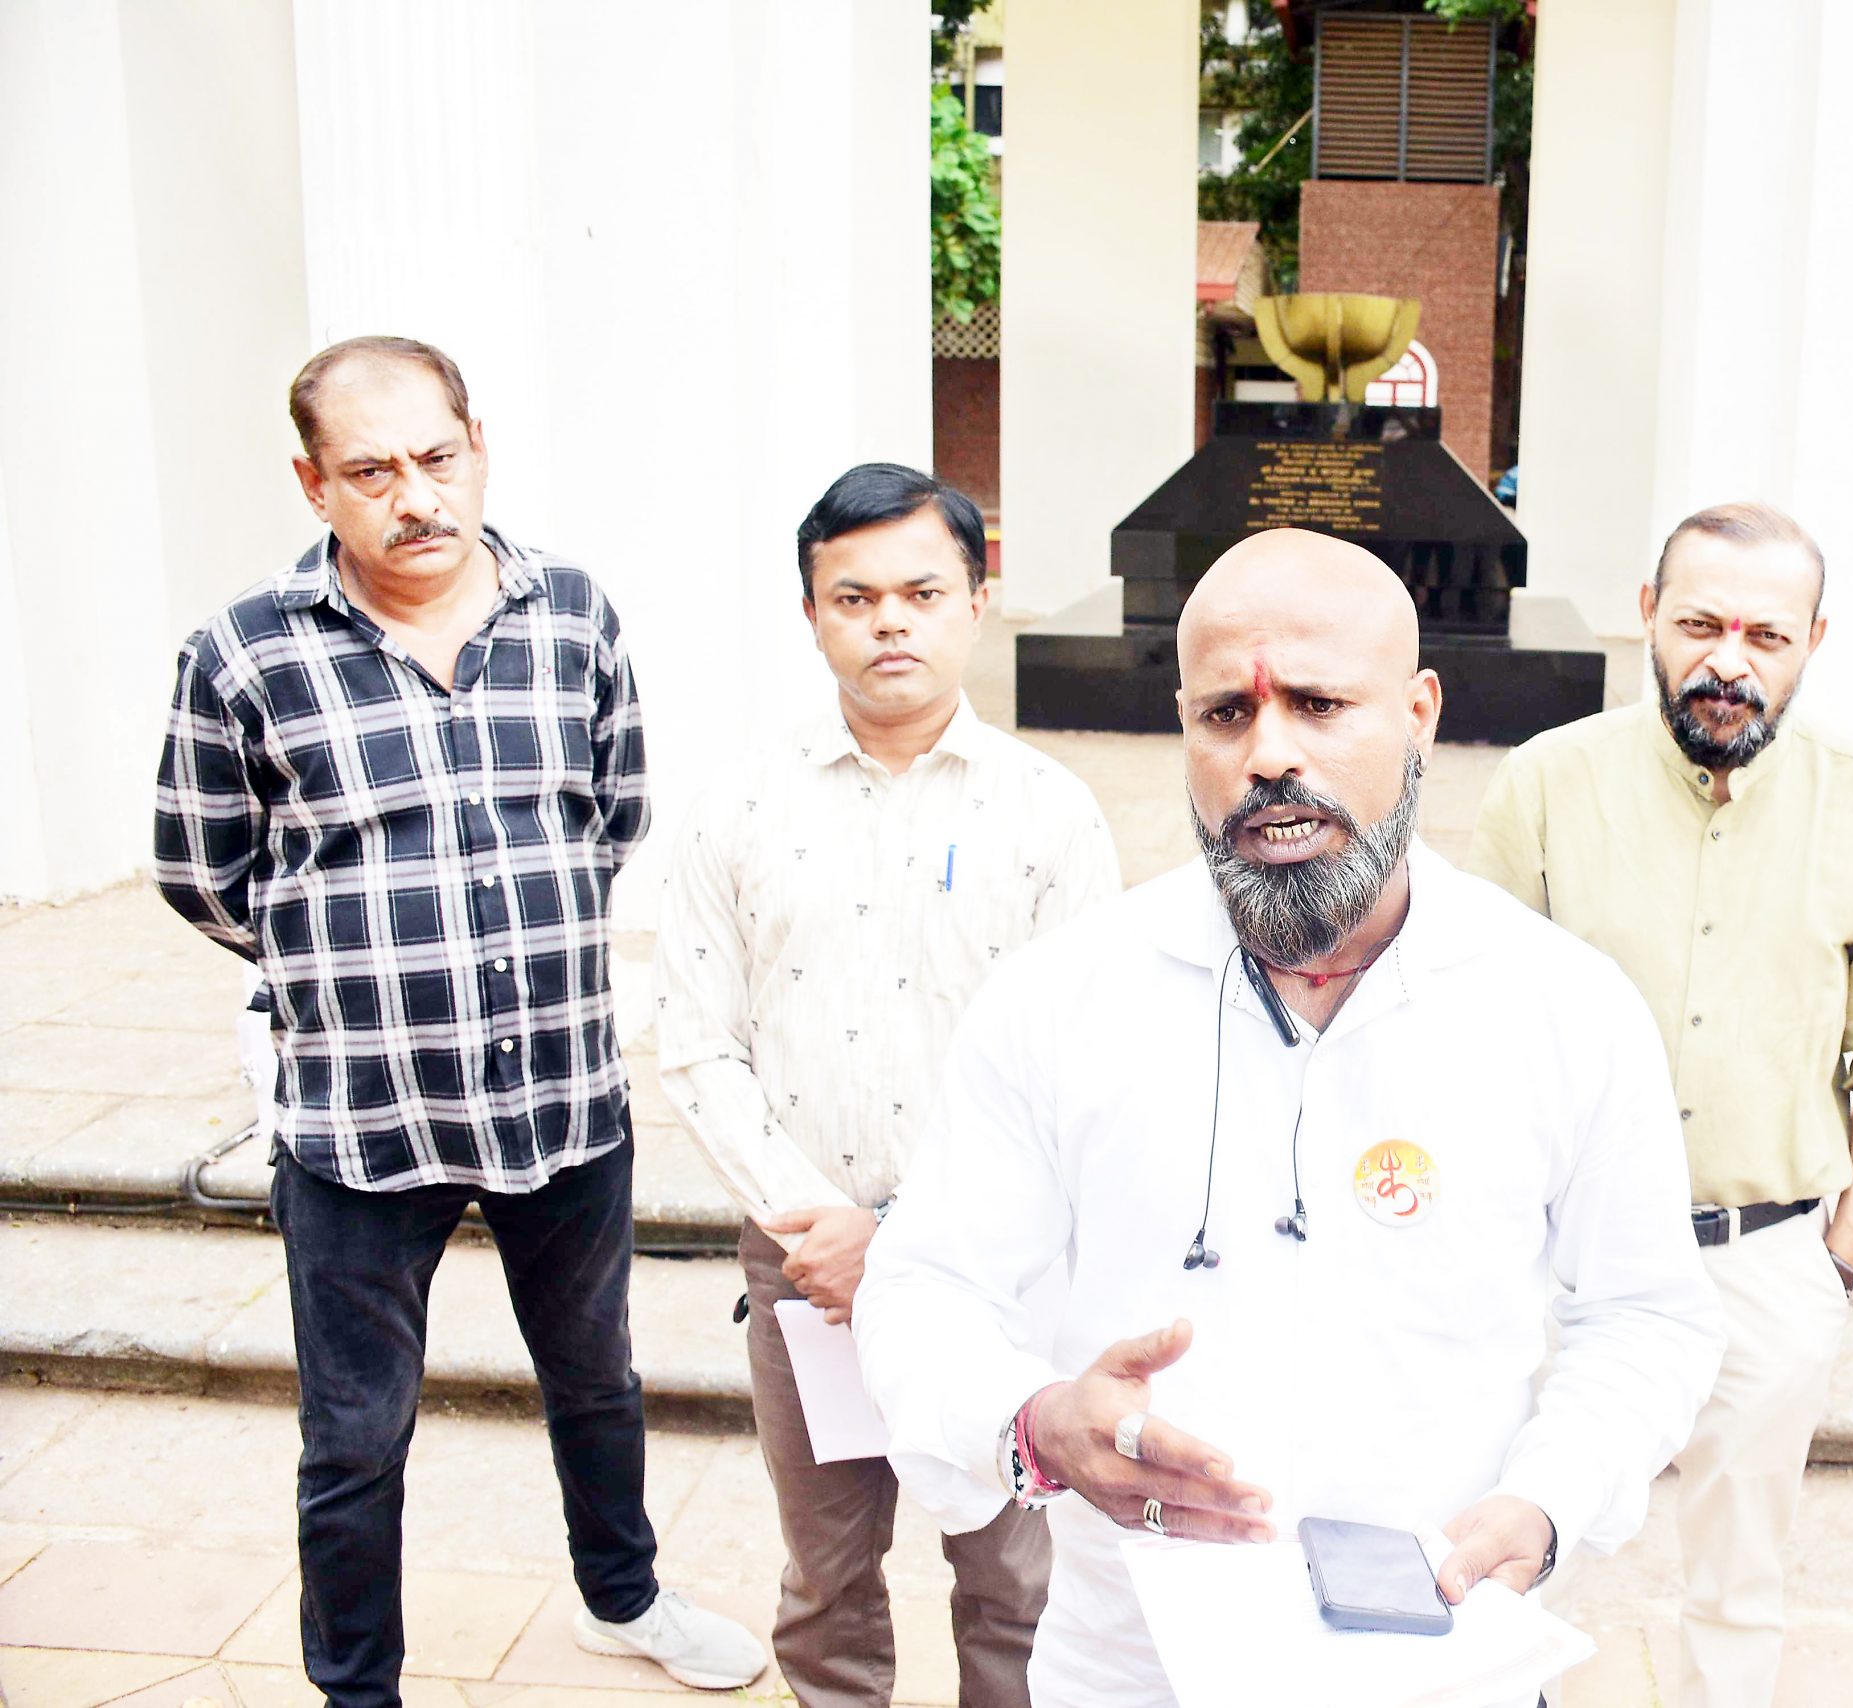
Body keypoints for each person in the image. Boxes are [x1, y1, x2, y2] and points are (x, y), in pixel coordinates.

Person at [849, 528, 1724, 1705]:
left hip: (1442, 1667)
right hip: (1134, 1671)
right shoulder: (1062, 998)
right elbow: (925, 1289)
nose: (1268, 754)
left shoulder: (1562, 1006)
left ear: (1418, 714)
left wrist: (1548, 1500)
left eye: (1317, 704)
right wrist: (1034, 1421)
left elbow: (1645, 1315)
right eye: (1226, 714)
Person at [152, 337, 762, 1705]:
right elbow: (201, 868)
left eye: (436, 456)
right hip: (361, 1124)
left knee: (595, 1378)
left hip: (559, 1099)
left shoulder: (572, 614)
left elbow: (611, 813)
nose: (415, 495)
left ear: (477, 447)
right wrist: (342, 963)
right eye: (371, 470)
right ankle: (357, 1688)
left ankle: (622, 1597)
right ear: (313, 484)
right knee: (353, 1439)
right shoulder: (244, 653)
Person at [1468, 502, 1853, 1706]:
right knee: (1517, 1561)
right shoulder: (1545, 784)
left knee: (1739, 1587)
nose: (1727, 660)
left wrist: (1839, 1257)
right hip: (1566, 1264)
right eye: (1699, 624)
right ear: (1647, 614)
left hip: (1767, 1265)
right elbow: (1478, 1021)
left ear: (1811, 641)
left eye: (1765, 635)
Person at [655, 462, 1120, 1707]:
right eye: (854, 598)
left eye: (922, 592)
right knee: (827, 1572)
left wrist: (910, 1239)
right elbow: (695, 1039)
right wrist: (818, 1224)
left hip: (996, 1269)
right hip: (804, 1262)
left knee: (1014, 1577)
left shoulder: (1049, 812)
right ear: (811, 614)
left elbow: (1081, 1062)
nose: (890, 623)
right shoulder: (738, 806)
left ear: (977, 599)